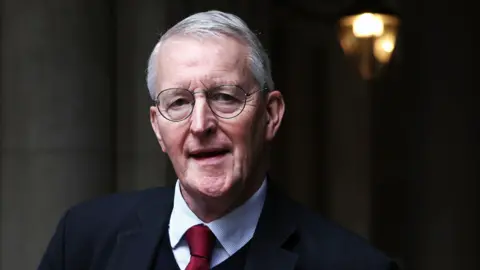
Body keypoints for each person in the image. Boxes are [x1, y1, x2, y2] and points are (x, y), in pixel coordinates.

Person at [38, 10, 398, 270]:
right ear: (157, 127)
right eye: (178, 102)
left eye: (225, 97)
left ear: (270, 115)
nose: (200, 124)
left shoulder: (352, 264)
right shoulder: (84, 240)